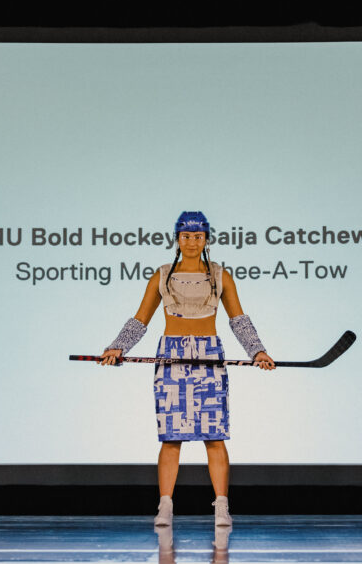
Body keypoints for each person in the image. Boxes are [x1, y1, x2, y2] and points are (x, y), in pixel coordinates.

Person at [100, 211, 275, 527]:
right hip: (172, 355)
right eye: (186, 236)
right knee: (171, 437)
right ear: (177, 239)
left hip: (208, 355)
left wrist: (257, 350)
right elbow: (141, 320)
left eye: (198, 236)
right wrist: (118, 346)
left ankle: (222, 506)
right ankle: (165, 506)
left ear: (206, 239)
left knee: (214, 436)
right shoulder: (162, 275)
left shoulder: (221, 276)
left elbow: (239, 320)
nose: (192, 242)